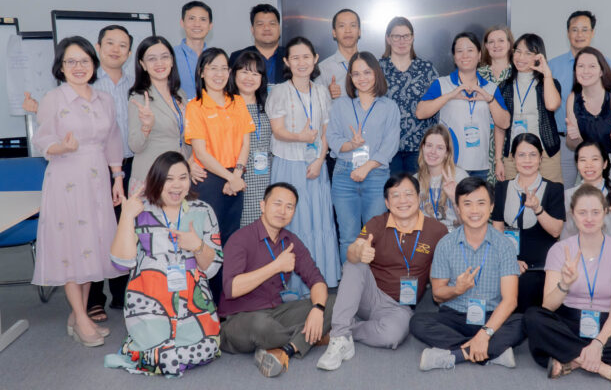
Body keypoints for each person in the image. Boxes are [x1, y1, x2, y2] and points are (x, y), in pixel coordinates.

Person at [31, 36, 125, 347]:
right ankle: (81, 317)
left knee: (91, 246)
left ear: (94, 64)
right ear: (60, 66)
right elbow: (43, 141)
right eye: (71, 61)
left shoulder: (104, 100)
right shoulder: (53, 99)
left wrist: (117, 178)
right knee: (71, 247)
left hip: (98, 178)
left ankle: (78, 313)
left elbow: (113, 141)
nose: (78, 67)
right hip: (66, 178)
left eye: (84, 61)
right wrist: (63, 146)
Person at [524, 185, 611, 390]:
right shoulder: (559, 250)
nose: (589, 218)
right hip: (568, 321)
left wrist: (598, 343)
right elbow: (548, 306)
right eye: (582, 212)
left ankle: (570, 360)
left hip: (607, 325)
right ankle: (607, 370)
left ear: (605, 213)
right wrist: (565, 284)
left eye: (595, 212)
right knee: (532, 317)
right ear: (573, 215)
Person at [107, 151, 222, 376]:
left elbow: (212, 267)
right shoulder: (140, 209)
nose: (176, 186)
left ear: (190, 180)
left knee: (208, 347)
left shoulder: (203, 211)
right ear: (156, 181)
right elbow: (122, 262)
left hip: (193, 300)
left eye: (182, 178)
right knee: (156, 348)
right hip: (150, 295)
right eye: (168, 179)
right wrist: (126, 216)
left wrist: (197, 245)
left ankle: (164, 355)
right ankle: (160, 352)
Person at [317, 174, 448, 371]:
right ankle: (339, 337)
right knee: (355, 264)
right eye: (395, 195)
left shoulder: (436, 230)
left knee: (392, 336)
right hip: (368, 295)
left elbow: (445, 266)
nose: (402, 201)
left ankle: (349, 330)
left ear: (419, 197)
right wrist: (359, 251)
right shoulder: (377, 223)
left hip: (399, 306)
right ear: (387, 202)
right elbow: (353, 250)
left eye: (408, 194)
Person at [218, 183, 334, 378]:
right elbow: (232, 288)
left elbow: (317, 280)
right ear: (263, 206)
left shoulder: (291, 241)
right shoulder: (240, 238)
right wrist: (276, 266)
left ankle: (285, 349)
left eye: (289, 207)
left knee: (334, 302)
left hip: (275, 312)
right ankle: (312, 337)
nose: (283, 211)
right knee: (262, 326)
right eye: (277, 204)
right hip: (239, 318)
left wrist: (318, 310)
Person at [410, 177, 524, 371]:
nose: (474, 211)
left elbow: (510, 300)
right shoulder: (445, 244)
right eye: (467, 204)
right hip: (455, 316)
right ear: (459, 209)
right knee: (418, 321)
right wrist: (457, 289)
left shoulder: (504, 245)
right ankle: (491, 352)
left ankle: (457, 355)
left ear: (491, 207)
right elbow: (437, 293)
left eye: (481, 203)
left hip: (491, 317)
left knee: (524, 322)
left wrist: (484, 333)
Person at [266, 37, 340, 295]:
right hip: (288, 165)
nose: (301, 62)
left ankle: (319, 279)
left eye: (306, 57)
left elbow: (326, 130)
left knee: (318, 222)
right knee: (293, 222)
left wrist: (320, 160)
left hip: (315, 168)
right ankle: (293, 285)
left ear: (315, 58)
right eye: (295, 57)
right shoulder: (279, 91)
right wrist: (302, 137)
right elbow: (278, 131)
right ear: (286, 61)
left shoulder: (320, 91)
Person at [327, 52, 400, 262]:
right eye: (356, 73)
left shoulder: (389, 107)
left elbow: (390, 144)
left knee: (374, 236)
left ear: (376, 73)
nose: (362, 78)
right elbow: (332, 137)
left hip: (376, 176)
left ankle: (373, 289)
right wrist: (352, 144)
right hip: (343, 176)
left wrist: (366, 167)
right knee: (348, 237)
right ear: (350, 77)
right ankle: (350, 287)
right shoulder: (341, 105)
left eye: (367, 72)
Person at [184, 48, 254, 250]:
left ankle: (227, 282)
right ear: (202, 72)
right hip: (208, 180)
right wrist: (230, 178)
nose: (219, 74)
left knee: (231, 237)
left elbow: (245, 144)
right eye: (213, 68)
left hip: (236, 176)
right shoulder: (195, 107)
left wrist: (236, 174)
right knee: (206, 238)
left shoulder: (238, 102)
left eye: (224, 68)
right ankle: (206, 283)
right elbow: (201, 153)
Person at [416, 32, 510, 179]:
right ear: (454, 57)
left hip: (481, 166)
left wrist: (488, 98)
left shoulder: (491, 88)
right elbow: (420, 113)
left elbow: (504, 123)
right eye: (459, 51)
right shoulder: (442, 83)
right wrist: (450, 95)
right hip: (449, 164)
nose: (465, 55)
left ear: (479, 55)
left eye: (470, 50)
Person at [492, 133, 565, 313]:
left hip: (539, 267)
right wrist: (510, 260)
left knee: (523, 291)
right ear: (513, 158)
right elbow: (497, 230)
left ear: (540, 158)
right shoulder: (502, 188)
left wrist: (538, 209)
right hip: (508, 263)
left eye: (533, 155)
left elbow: (556, 231)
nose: (527, 160)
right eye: (521, 155)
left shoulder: (554, 189)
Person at [549, 11, 611, 188]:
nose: (579, 35)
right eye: (575, 29)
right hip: (565, 143)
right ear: (567, 33)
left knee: (601, 196)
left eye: (585, 29)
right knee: (564, 195)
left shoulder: (608, 65)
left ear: (592, 33)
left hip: (599, 143)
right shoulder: (553, 67)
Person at [127, 35, 192, 194]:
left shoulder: (180, 95)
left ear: (172, 60)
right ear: (142, 64)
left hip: (178, 178)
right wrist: (146, 127)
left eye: (164, 57)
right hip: (151, 177)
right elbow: (135, 145)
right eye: (152, 59)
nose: (159, 63)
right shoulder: (139, 98)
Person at [495, 33, 562, 183]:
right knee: (514, 200)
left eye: (528, 53)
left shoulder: (549, 82)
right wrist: (498, 159)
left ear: (538, 57)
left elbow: (552, 105)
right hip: (513, 155)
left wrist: (547, 74)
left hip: (545, 154)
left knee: (548, 199)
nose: (520, 57)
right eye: (517, 51)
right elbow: (500, 126)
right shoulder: (504, 86)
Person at [379, 16, 439, 175]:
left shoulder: (426, 69)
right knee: (393, 195)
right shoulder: (377, 69)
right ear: (388, 39)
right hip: (386, 147)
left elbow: (437, 106)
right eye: (396, 36)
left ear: (412, 38)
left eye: (406, 36)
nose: (401, 41)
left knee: (419, 194)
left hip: (420, 148)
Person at [565, 47, 611, 186]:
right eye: (580, 66)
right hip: (591, 167)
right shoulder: (573, 99)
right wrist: (574, 137)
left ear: (601, 71)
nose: (586, 71)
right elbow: (573, 145)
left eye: (592, 66)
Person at [562, 141, 611, 249]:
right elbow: (566, 238)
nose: (589, 165)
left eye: (595, 159)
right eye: (583, 160)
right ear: (577, 165)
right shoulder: (569, 196)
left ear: (605, 164)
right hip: (580, 259)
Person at [229, 50, 273, 228]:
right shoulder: (227, 106)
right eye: (245, 72)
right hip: (239, 176)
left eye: (255, 73)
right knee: (243, 229)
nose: (250, 78)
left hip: (266, 176)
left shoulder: (268, 104)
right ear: (234, 74)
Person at [415, 124, 469, 232]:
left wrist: (454, 199)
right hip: (424, 239)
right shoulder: (415, 180)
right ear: (423, 148)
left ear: (447, 153)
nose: (433, 152)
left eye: (440, 148)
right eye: (429, 145)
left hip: (452, 237)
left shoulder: (459, 177)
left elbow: (468, 225)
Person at [478, 25, 514, 184]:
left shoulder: (518, 72)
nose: (496, 45)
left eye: (501, 40)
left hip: (513, 139)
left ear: (510, 44)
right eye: (491, 41)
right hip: (482, 139)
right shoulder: (477, 74)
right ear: (485, 46)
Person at [230, 4, 286, 89]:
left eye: (272, 23)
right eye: (260, 24)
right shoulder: (237, 57)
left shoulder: (292, 56)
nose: (267, 28)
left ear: (279, 28)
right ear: (252, 29)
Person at [317, 8, 361, 101]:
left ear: (359, 31)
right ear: (334, 33)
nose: (348, 30)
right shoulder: (323, 69)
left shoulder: (371, 65)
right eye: (342, 26)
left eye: (353, 25)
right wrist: (327, 94)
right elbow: (315, 104)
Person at [174, 0, 213, 100]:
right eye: (192, 18)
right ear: (182, 23)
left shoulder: (215, 58)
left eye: (203, 19)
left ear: (210, 26)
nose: (197, 24)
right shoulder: (170, 55)